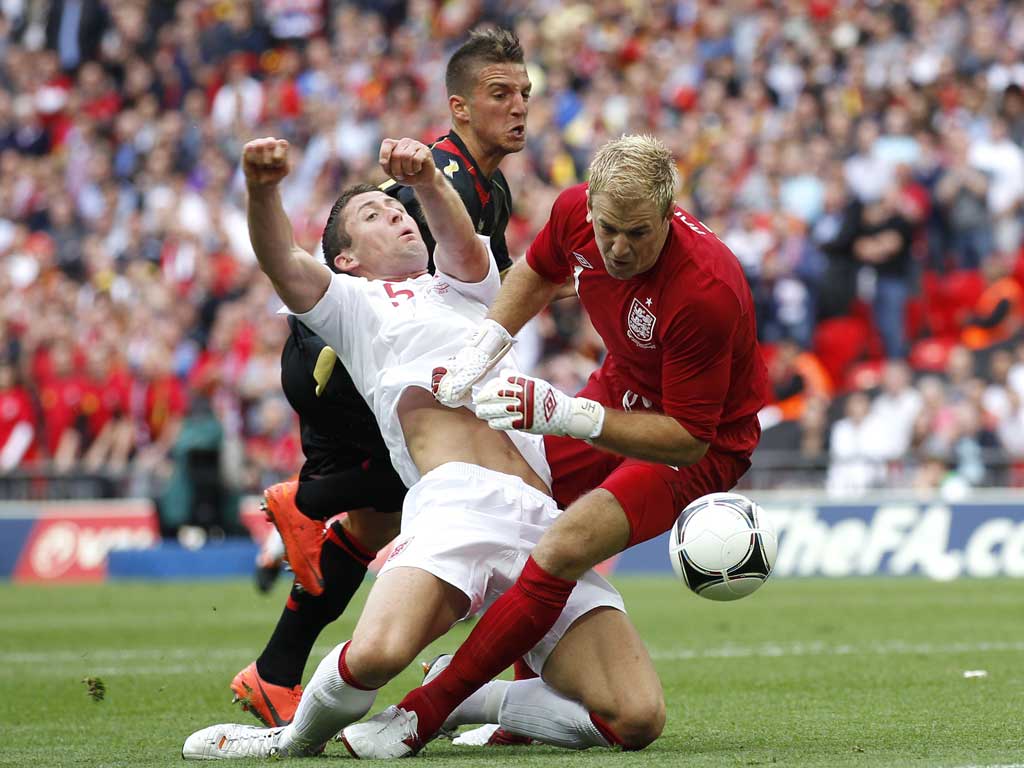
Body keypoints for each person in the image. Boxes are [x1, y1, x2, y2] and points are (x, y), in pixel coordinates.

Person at [182, 134, 664, 759]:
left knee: (637, 719)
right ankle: (290, 740)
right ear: (347, 259)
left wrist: (430, 182)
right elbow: (282, 260)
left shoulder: (468, 288)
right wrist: (262, 188)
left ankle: (470, 694)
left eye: (399, 209)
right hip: (455, 502)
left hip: (543, 517)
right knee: (379, 653)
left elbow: (463, 244)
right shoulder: (353, 305)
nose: (397, 216)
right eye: (374, 217)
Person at [345, 134, 767, 756]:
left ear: (668, 216)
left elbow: (686, 437)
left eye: (639, 234)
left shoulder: (704, 291)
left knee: (565, 541)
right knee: (517, 496)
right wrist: (484, 343)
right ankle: (511, 702)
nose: (620, 249)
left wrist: (569, 414)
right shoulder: (574, 211)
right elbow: (539, 273)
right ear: (588, 205)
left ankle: (425, 712)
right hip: (622, 390)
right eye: (608, 230)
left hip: (698, 442)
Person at [230, 27, 531, 728]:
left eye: (524, 94)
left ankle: (276, 672)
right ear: (459, 107)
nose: (518, 107)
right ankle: (317, 497)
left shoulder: (489, 186)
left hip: (356, 355)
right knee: (437, 478)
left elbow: (499, 287)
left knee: (380, 520)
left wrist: (572, 278)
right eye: (500, 94)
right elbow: (383, 288)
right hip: (336, 362)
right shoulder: (441, 178)